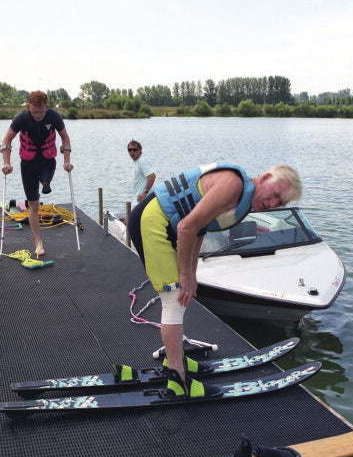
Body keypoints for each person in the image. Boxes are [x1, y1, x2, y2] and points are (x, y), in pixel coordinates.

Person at [127, 163, 301, 395]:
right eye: (275, 195)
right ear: (266, 177)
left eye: (279, 204)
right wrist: (186, 275)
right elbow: (186, 226)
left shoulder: (242, 196)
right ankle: (177, 381)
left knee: (182, 294)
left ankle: (174, 359)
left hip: (165, 224)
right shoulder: (234, 185)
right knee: (173, 299)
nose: (272, 204)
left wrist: (193, 272)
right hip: (151, 222)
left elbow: (200, 228)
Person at [0, 91, 72, 257]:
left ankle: (46, 183)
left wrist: (66, 160)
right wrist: (6, 162)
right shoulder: (21, 118)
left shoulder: (54, 117)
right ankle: (38, 241)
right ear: (28, 107)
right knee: (34, 205)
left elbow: (65, 139)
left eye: (41, 112)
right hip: (28, 164)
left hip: (48, 161)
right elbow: (6, 141)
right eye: (34, 112)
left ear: (47, 107)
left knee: (46, 181)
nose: (38, 115)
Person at [127, 139, 156, 207]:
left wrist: (145, 193)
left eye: (134, 149)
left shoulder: (142, 161)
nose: (132, 152)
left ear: (140, 150)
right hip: (137, 200)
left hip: (142, 201)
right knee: (127, 217)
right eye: (130, 150)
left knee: (129, 217)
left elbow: (152, 176)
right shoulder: (137, 162)